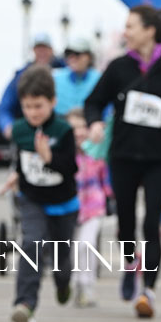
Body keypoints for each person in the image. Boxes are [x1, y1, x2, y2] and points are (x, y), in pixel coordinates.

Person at [84, 5, 161, 319]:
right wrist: (95, 123)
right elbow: (94, 101)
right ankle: (130, 263)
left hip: (159, 157)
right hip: (123, 156)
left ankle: (148, 290)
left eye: (131, 26)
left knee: (152, 222)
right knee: (125, 223)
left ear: (150, 30)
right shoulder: (119, 67)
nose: (126, 32)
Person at [0, 66, 78, 322]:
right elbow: (21, 161)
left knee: (60, 259)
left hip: (63, 204)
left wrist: (49, 157)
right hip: (32, 199)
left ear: (52, 102)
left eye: (38, 106)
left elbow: (71, 168)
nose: (33, 113)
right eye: (27, 107)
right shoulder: (20, 130)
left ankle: (63, 283)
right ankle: (24, 304)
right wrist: (15, 175)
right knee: (31, 243)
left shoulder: (63, 130)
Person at [69, 107, 110, 308]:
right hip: (70, 206)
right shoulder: (63, 153)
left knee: (87, 244)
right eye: (74, 128)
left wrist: (110, 196)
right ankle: (76, 282)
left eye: (82, 127)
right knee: (72, 247)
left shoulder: (97, 151)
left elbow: (106, 177)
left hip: (93, 206)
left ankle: (87, 284)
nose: (78, 132)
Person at [0, 33, 64, 139]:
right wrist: (7, 126)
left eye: (45, 48)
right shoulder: (22, 75)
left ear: (52, 50)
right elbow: (5, 106)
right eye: (38, 49)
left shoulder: (65, 71)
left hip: (57, 129)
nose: (42, 52)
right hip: (31, 131)